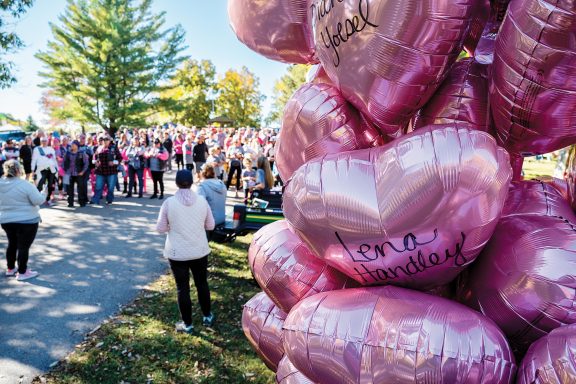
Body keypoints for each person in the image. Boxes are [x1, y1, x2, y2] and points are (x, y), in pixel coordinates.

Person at [156, 170, 215, 333]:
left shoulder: (169, 203)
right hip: (199, 250)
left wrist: (172, 227)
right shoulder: (202, 201)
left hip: (177, 252)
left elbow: (160, 228)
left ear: (176, 183)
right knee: (202, 283)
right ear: (191, 182)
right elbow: (210, 225)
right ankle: (207, 315)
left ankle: (187, 324)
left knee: (182, 288)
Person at [0, 160, 46, 281]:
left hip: (6, 220)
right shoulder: (25, 184)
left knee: (12, 243)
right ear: (18, 170)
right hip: (27, 220)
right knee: (23, 246)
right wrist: (44, 193)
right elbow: (38, 200)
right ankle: (22, 272)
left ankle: (10, 269)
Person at [91, 135, 122, 205]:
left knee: (110, 188)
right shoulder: (99, 148)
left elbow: (120, 158)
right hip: (100, 171)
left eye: (107, 140)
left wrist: (114, 162)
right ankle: (96, 200)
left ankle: (109, 200)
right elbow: (94, 158)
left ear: (109, 141)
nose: (105, 141)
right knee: (98, 187)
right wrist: (95, 162)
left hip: (111, 171)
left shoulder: (114, 148)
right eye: (104, 140)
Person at [32, 136, 58, 206]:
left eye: (45, 141)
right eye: (42, 140)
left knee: (50, 185)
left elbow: (54, 159)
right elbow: (34, 160)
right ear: (40, 141)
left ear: (47, 141)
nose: (44, 142)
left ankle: (48, 199)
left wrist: (57, 169)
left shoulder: (51, 149)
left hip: (51, 169)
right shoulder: (37, 149)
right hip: (41, 169)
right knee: (40, 184)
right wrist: (32, 170)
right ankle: (37, 200)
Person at [63, 140, 89, 207]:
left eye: (74, 145)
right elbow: (64, 162)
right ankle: (70, 203)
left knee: (80, 188)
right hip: (69, 174)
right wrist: (64, 171)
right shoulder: (67, 153)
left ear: (77, 146)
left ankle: (82, 202)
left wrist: (82, 172)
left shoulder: (82, 153)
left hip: (78, 173)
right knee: (69, 189)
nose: (72, 146)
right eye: (71, 144)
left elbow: (86, 163)